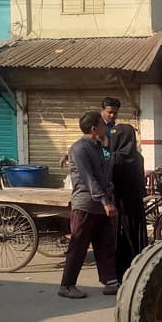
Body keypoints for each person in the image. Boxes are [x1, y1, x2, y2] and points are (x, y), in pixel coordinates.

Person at [59, 111, 118, 299]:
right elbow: (88, 178)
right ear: (94, 128)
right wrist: (105, 201)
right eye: (102, 124)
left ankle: (110, 280)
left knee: (105, 243)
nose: (105, 127)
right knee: (78, 245)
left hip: (100, 203)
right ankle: (67, 285)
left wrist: (109, 190)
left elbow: (102, 173)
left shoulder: (97, 146)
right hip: (85, 204)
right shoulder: (80, 148)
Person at [101, 97, 147, 283]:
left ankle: (117, 273)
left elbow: (108, 179)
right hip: (133, 205)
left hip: (118, 204)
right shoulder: (137, 157)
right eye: (109, 112)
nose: (112, 115)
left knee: (117, 237)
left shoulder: (114, 159)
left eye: (114, 112)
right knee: (134, 236)